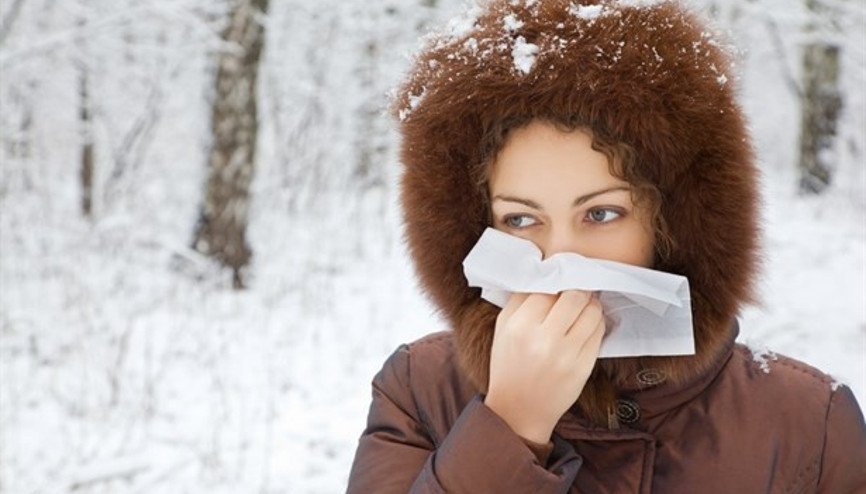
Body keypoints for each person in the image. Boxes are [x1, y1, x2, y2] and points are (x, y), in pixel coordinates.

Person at [346, 0, 866, 492]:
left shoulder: (811, 424)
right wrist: (509, 424)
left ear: (675, 223)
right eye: (522, 219)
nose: (562, 260)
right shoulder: (421, 390)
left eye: (601, 213)